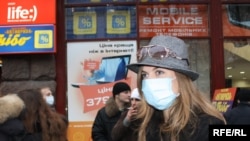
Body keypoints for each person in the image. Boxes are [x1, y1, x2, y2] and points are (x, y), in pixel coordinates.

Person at [126, 35, 226, 141]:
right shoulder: (145, 123)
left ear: (180, 80)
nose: (149, 81)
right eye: (145, 75)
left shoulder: (207, 125)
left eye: (159, 72)